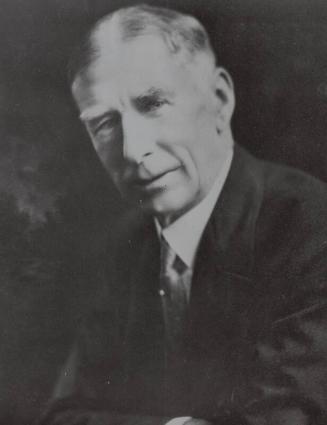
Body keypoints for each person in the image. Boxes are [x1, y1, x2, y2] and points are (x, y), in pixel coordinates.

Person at [40, 4, 327, 425]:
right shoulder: (126, 245)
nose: (133, 150)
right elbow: (61, 417)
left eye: (154, 103)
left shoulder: (311, 226)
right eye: (104, 124)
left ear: (219, 100)